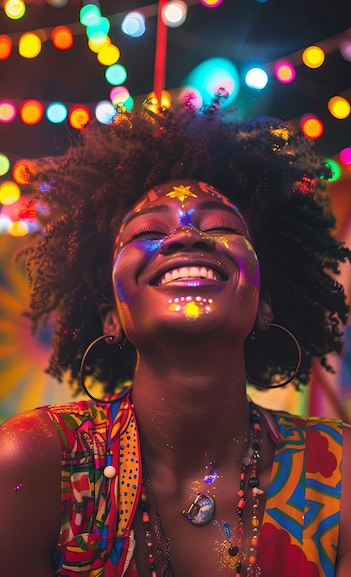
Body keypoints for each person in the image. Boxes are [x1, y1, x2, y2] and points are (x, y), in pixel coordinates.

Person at [0, 98, 351, 577]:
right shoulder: (37, 462)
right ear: (112, 318)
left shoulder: (339, 474)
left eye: (223, 226)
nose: (186, 235)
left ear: (264, 303)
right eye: (147, 230)